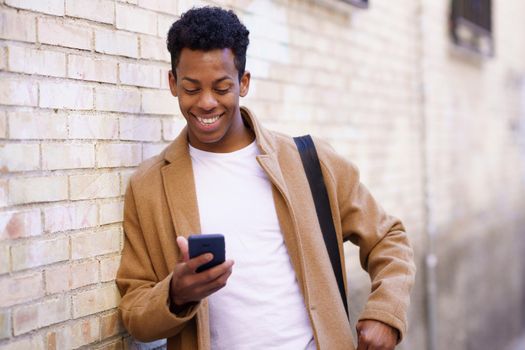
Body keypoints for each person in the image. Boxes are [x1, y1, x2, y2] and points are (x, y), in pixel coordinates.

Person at [116, 6, 416, 350]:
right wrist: (176, 293)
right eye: (192, 88)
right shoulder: (149, 185)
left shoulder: (308, 160)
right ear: (173, 83)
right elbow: (134, 313)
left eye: (222, 87)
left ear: (243, 83)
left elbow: (389, 237)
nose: (207, 102)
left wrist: (385, 312)